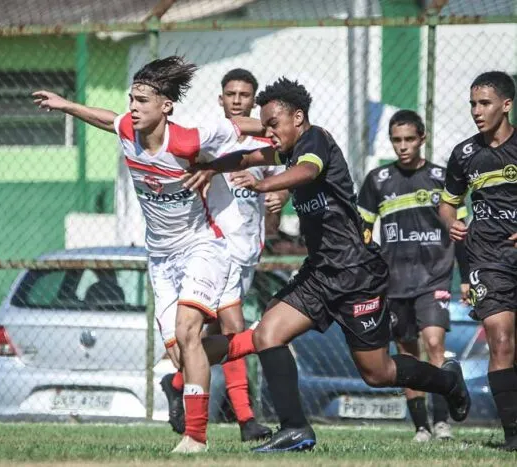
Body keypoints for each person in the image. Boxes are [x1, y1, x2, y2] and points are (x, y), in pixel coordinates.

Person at [184, 76, 471, 453]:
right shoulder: (285, 149)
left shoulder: (315, 139)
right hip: (320, 272)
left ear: (297, 117)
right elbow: (250, 156)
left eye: (273, 124)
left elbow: (308, 171)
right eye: (265, 125)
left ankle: (447, 382)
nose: (268, 132)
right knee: (269, 332)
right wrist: (212, 166)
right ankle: (295, 429)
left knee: (378, 373)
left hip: (356, 274)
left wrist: (264, 187)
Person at [34, 56, 261, 453]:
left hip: (202, 245)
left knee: (189, 332)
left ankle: (195, 437)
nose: (133, 107)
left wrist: (286, 126)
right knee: (180, 353)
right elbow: (107, 119)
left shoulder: (189, 139)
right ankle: (256, 339)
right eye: (131, 99)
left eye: (141, 100)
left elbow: (240, 125)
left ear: (166, 107)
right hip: (160, 256)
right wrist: (65, 104)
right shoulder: (128, 130)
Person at [160, 68, 285, 442]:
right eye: (230, 94)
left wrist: (280, 197)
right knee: (234, 326)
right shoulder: (213, 140)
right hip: (217, 249)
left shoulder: (266, 144)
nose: (236, 100)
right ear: (220, 99)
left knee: (209, 338)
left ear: (254, 101)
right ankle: (246, 420)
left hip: (248, 251)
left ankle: (178, 382)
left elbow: (278, 189)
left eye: (244, 95)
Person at [357, 109, 469, 442]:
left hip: (434, 277)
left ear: (422, 139)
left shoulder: (442, 178)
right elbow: (363, 229)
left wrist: (464, 275)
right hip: (394, 282)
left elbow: (460, 228)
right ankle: (420, 426)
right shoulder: (377, 181)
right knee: (406, 354)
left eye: (409, 139)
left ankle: (442, 422)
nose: (402, 146)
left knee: (435, 342)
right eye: (396, 140)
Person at [439, 71, 517, 451]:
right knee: (501, 340)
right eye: (472, 103)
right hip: (488, 259)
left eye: (484, 103)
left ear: (506, 104)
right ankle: (513, 437)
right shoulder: (465, 154)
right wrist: (451, 222)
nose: (476, 111)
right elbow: (447, 203)